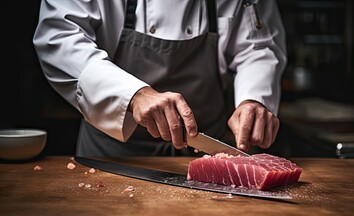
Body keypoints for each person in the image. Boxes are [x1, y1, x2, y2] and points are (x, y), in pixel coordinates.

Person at [33, 0, 287, 157]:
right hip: (112, 155)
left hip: (208, 152)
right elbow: (59, 37)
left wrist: (254, 99)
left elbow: (259, 47)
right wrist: (133, 95)